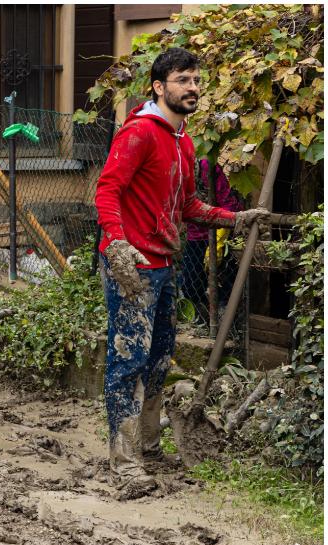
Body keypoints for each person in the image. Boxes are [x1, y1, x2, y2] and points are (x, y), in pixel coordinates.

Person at [94, 48, 268, 497]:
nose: (193, 87)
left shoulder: (182, 140)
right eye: (182, 80)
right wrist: (116, 243)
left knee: (158, 356)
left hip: (164, 265)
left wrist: (235, 219)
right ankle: (125, 462)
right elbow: (108, 190)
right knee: (127, 361)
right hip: (132, 267)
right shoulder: (139, 134)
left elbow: (187, 205)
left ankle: (149, 445)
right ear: (158, 87)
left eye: (195, 80)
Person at [179, 159, 243, 325]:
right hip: (195, 236)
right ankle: (207, 320)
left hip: (222, 231)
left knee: (226, 282)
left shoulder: (207, 167)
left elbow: (230, 205)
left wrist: (219, 240)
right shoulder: (172, 171)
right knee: (189, 284)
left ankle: (226, 322)